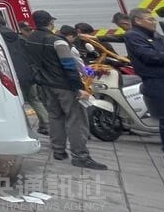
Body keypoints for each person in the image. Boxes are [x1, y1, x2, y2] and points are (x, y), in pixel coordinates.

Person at [23, 10, 106, 169]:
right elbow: (69, 65)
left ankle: (58, 150)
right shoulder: (57, 41)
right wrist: (79, 88)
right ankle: (80, 156)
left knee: (55, 117)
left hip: (45, 85)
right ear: (51, 23)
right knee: (76, 119)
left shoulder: (30, 39)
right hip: (64, 86)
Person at [124, 8, 164, 168]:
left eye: (153, 19)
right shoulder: (133, 35)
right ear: (137, 20)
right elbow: (150, 56)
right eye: (150, 19)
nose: (154, 22)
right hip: (156, 81)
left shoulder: (155, 35)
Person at [0, 14, 49, 134]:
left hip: (12, 75)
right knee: (34, 100)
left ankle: (24, 127)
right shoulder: (18, 37)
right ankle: (47, 123)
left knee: (17, 102)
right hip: (28, 73)